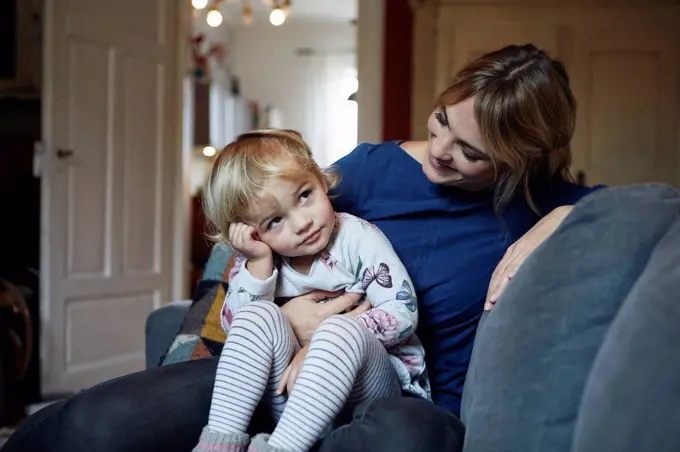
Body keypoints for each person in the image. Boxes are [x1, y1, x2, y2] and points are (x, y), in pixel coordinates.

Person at [3, 44, 602, 452]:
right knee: (92, 423)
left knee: (409, 440)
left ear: (523, 157)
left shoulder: (538, 202)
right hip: (270, 367)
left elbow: (650, 201)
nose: (441, 149)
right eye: (442, 120)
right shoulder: (369, 169)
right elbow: (260, 221)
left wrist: (557, 219)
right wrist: (279, 319)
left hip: (391, 392)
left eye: (471, 151)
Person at [192, 129, 428, 452]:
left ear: (320, 178)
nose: (302, 222)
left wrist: (317, 344)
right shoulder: (260, 258)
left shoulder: (355, 238)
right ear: (252, 233)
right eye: (275, 221)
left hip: (371, 389)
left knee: (338, 331)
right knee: (256, 316)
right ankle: (218, 445)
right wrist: (258, 264)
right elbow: (237, 333)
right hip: (294, 402)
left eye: (305, 195)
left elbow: (404, 312)